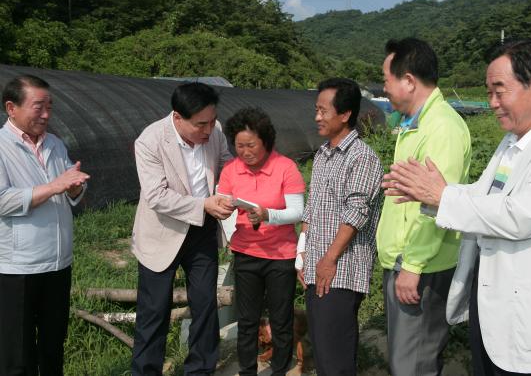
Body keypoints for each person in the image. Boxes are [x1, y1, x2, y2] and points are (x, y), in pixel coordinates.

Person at [383, 39, 531, 375]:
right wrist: (434, 194)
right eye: (488, 93)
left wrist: (442, 196)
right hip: (496, 311)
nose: (492, 103)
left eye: (500, 91)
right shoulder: (512, 141)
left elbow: (518, 217)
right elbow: (484, 196)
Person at [376, 38, 471, 376]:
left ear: (409, 80)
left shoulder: (441, 127)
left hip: (421, 266)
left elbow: (437, 204)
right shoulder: (414, 123)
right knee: (406, 360)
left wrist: (413, 266)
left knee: (413, 365)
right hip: (407, 261)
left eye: (387, 79)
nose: (384, 88)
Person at [131, 82, 234, 375]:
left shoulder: (214, 131)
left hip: (202, 231)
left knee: (204, 304)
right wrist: (203, 204)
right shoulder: (150, 140)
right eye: (201, 124)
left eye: (213, 121)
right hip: (161, 233)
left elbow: (226, 164)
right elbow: (157, 196)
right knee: (154, 312)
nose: (208, 130)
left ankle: (200, 368)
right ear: (178, 117)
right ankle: (147, 370)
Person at [0, 75, 89, 375]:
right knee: (18, 355)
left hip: (58, 263)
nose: (47, 114)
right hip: (18, 268)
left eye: (49, 106)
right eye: (39, 106)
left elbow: (67, 187)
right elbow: (2, 201)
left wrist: (74, 188)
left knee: (53, 348)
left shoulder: (55, 143)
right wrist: (54, 186)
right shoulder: (1, 147)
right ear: (11, 108)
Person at [297, 77, 383, 376]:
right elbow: (312, 208)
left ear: (345, 114)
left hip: (340, 270)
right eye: (316, 109)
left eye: (323, 111)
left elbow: (356, 212)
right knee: (323, 352)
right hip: (317, 267)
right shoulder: (322, 155)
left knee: (335, 358)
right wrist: (302, 254)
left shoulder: (362, 157)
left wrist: (329, 259)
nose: (317, 116)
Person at [217, 107, 305, 376]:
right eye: (239, 146)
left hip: (280, 255)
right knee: (247, 319)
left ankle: (279, 369)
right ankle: (247, 371)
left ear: (266, 140)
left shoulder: (285, 168)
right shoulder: (231, 170)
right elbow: (221, 200)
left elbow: (298, 211)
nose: (244, 151)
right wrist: (225, 208)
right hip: (246, 253)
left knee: (280, 319)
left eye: (251, 145)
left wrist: (269, 215)